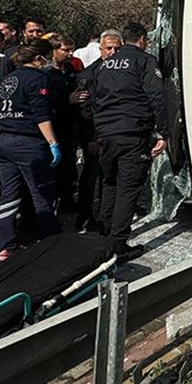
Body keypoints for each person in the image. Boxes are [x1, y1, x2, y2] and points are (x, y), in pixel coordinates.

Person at [90, 23, 168, 259]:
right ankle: (117, 245)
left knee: (110, 184)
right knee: (128, 189)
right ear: (143, 40)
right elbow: (156, 96)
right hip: (132, 133)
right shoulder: (144, 61)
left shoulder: (104, 65)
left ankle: (103, 236)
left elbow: (95, 98)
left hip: (106, 134)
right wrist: (163, 132)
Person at [0, 38, 63, 260]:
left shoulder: (7, 79)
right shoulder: (37, 79)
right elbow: (41, 115)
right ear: (39, 58)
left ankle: (6, 245)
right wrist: (53, 143)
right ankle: (53, 242)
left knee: (9, 194)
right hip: (28, 143)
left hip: (3, 141)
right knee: (41, 194)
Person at [73, 30, 123, 232]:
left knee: (110, 177)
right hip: (96, 136)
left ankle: (106, 215)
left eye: (117, 48)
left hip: (116, 133)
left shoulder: (123, 72)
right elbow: (86, 110)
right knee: (91, 176)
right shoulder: (90, 75)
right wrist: (92, 138)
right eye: (109, 48)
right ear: (100, 49)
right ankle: (85, 216)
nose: (113, 52)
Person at [43, 32, 81, 210]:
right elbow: (44, 101)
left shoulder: (70, 70)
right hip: (53, 125)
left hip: (70, 125)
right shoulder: (46, 73)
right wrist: (67, 100)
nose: (69, 54)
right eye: (65, 50)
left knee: (69, 164)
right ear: (54, 50)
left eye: (71, 50)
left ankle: (67, 198)